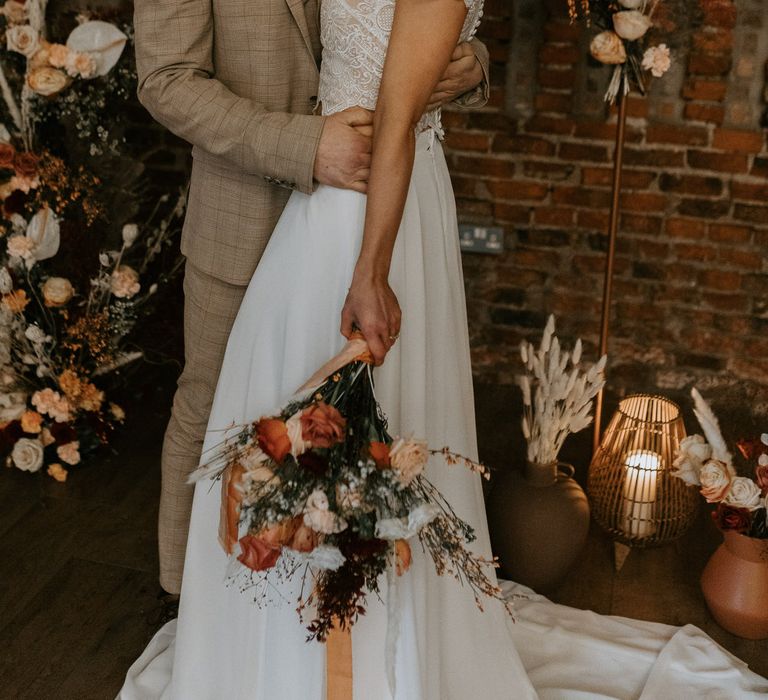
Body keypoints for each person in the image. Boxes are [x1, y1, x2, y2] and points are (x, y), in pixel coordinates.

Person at [119, 0, 540, 695]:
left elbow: (412, 37)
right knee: (219, 419)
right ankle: (196, 614)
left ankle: (358, 647)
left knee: (386, 421)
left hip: (368, 212)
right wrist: (303, 145)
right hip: (247, 210)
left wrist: (471, 66)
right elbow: (165, 78)